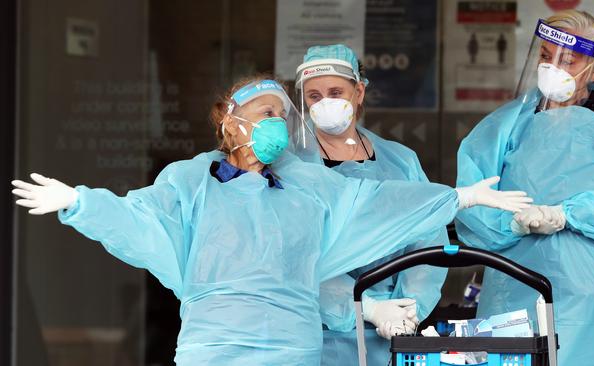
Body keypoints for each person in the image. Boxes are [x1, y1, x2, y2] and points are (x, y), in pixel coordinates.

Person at [12, 76, 531, 366]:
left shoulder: (309, 188)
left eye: (282, 115)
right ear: (228, 120)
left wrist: (458, 198)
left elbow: (377, 206)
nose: (276, 123)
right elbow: (138, 221)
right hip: (213, 348)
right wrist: (79, 204)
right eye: (264, 113)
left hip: (292, 349)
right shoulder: (191, 184)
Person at [455, 10, 594, 365]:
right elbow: (472, 200)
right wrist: (510, 223)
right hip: (513, 291)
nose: (552, 67)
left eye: (567, 60)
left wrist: (568, 214)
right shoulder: (509, 123)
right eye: (545, 57)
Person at [294, 44, 449, 366]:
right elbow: (293, 255)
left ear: (359, 92)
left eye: (336, 92)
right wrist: (367, 307)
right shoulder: (292, 166)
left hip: (395, 331)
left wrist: (409, 309)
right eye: (314, 96)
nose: (325, 103)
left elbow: (428, 237)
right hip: (316, 332)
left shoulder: (401, 161)